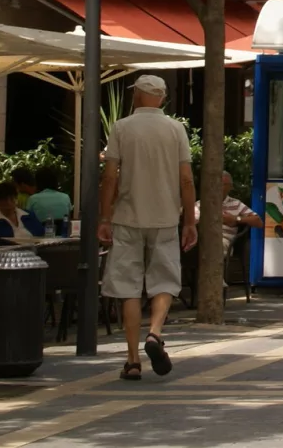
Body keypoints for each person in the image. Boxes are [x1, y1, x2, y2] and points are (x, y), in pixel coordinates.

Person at [99, 74, 198, 381]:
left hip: (127, 217)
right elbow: (186, 178)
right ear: (162, 98)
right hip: (166, 217)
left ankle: (131, 360)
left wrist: (104, 216)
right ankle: (154, 333)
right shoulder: (175, 129)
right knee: (165, 281)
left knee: (128, 287)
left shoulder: (121, 127)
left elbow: (111, 176)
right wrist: (190, 221)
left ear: (139, 96)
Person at [195, 171, 263, 255]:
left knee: (214, 244)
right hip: (202, 238)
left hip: (222, 240)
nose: (217, 187)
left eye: (222, 184)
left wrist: (236, 219)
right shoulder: (202, 203)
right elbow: (193, 220)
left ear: (230, 187)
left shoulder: (236, 204)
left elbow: (258, 222)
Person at [25, 164, 73, 229]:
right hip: (63, 234)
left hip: (40, 235)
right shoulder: (65, 197)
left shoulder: (33, 199)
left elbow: (27, 219)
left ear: (37, 182)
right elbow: (68, 217)